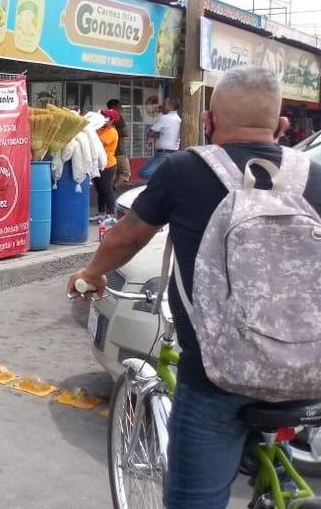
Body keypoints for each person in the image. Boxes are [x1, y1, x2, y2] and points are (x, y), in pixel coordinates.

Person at [68, 66, 321, 509]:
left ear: (208, 122)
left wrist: (91, 274)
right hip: (310, 372)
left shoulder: (185, 170)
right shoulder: (314, 176)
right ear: (281, 126)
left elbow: (128, 236)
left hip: (217, 378)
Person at [92, 110, 119, 221]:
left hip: (108, 165)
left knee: (106, 188)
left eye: (105, 117)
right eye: (102, 115)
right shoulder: (100, 128)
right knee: (99, 189)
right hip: (98, 164)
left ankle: (111, 214)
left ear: (112, 120)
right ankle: (101, 213)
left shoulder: (112, 131)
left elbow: (99, 143)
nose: (103, 118)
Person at [106, 98, 130, 188]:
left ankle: (108, 189)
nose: (121, 109)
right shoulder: (118, 117)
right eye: (120, 107)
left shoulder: (105, 117)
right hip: (119, 150)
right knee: (125, 173)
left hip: (108, 150)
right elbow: (125, 133)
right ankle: (112, 189)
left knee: (112, 172)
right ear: (115, 107)